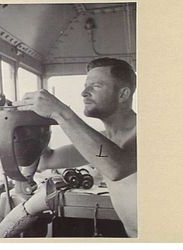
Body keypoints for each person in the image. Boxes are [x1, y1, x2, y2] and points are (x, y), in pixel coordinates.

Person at [13, 57, 137, 237]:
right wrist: (32, 124)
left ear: (123, 94)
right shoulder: (102, 139)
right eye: (86, 86)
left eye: (95, 86)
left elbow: (115, 168)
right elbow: (46, 160)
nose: (84, 93)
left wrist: (60, 112)